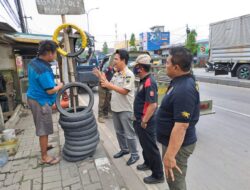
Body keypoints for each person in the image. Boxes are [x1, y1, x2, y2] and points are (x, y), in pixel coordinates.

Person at [156, 47, 200, 190]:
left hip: (178, 146)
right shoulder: (179, 81)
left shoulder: (184, 90)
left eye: (167, 63)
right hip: (172, 142)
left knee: (175, 181)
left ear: (176, 67)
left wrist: (170, 155)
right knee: (172, 179)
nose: (165, 65)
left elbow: (181, 126)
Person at [99, 49, 139, 165]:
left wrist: (109, 84)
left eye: (116, 59)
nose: (114, 61)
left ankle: (134, 154)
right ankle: (124, 149)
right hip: (116, 108)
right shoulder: (116, 74)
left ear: (123, 60)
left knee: (129, 133)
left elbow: (124, 91)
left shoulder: (129, 75)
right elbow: (108, 85)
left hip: (125, 109)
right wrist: (101, 76)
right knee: (119, 132)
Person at [27, 40, 63, 165]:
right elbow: (50, 91)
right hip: (40, 101)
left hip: (33, 97)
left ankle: (45, 145)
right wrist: (59, 86)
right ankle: (44, 157)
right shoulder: (44, 69)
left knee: (41, 125)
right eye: (54, 53)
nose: (55, 56)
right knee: (44, 128)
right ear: (49, 53)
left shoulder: (33, 62)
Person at [132, 54, 164, 184]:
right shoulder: (143, 80)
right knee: (145, 144)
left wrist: (144, 121)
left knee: (151, 147)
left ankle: (158, 175)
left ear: (141, 68)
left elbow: (152, 105)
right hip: (140, 120)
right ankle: (147, 163)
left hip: (146, 122)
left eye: (136, 66)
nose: (134, 68)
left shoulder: (149, 82)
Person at [96, 56, 114, 123]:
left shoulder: (113, 69)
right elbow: (102, 75)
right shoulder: (107, 68)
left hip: (108, 86)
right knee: (102, 102)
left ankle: (106, 114)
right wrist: (105, 82)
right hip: (102, 86)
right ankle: (100, 116)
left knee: (107, 100)